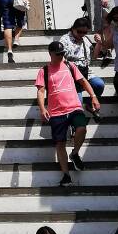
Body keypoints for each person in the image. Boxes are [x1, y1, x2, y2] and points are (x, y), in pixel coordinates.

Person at [35, 40, 100, 187]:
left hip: (74, 107)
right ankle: (66, 176)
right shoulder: (44, 71)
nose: (61, 56)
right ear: (50, 54)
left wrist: (93, 96)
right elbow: (40, 90)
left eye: (62, 53)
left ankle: (75, 153)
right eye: (58, 54)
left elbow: (83, 81)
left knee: (82, 128)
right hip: (56, 112)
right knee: (60, 143)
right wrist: (42, 108)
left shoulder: (70, 66)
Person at [59, 16, 105, 118]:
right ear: (73, 28)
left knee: (99, 84)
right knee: (78, 103)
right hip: (72, 74)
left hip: (85, 72)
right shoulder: (65, 39)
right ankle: (74, 127)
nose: (82, 34)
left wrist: (99, 43)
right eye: (79, 31)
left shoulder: (85, 39)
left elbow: (95, 56)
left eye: (85, 32)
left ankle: (89, 104)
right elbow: (59, 58)